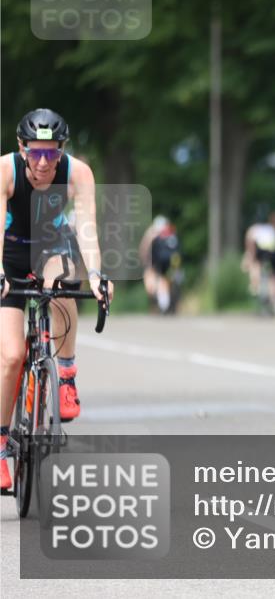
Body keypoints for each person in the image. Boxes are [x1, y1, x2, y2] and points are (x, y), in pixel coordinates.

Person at [1, 108, 115, 490]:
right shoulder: (5, 171)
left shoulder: (78, 173)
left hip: (51, 248)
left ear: (62, 150)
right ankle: (1, 445)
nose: (45, 162)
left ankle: (64, 372)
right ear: (22, 149)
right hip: (10, 256)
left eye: (53, 153)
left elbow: (86, 230)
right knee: (13, 356)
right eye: (36, 152)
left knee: (65, 281)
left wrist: (97, 275)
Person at [241, 211, 275, 314]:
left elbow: (251, 246)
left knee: (256, 267)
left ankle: (255, 285)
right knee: (274, 278)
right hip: (274, 253)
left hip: (263, 253)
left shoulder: (254, 230)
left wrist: (250, 258)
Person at [139, 215, 181, 313]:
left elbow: (143, 252)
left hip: (156, 265)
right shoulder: (172, 235)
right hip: (172, 264)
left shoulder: (152, 236)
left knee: (156, 285)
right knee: (166, 283)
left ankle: (162, 305)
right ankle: (166, 305)